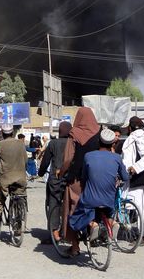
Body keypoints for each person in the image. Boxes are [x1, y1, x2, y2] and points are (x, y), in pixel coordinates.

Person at [69, 128, 129, 237]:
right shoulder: (117, 158)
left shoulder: (88, 156)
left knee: (78, 214)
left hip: (91, 199)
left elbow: (84, 177)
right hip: (109, 199)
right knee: (108, 210)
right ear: (112, 144)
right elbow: (125, 177)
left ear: (99, 141)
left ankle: (92, 224)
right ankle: (112, 222)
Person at [58, 107, 102, 255]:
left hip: (77, 178)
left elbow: (68, 158)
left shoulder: (74, 134)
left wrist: (61, 171)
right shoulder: (100, 133)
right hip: (95, 177)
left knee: (71, 207)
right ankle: (94, 226)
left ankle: (75, 246)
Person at [0, 124, 27, 235]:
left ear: (2, 134)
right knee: (20, 194)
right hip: (20, 178)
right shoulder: (21, 144)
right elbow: (25, 160)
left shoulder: (0, 145)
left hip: (6, 178)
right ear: (13, 133)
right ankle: (19, 221)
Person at [121, 116, 144, 247]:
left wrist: (135, 167)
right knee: (142, 209)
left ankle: (143, 236)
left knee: (139, 208)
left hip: (137, 178)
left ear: (130, 127)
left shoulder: (136, 138)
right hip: (142, 178)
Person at [38, 121, 71, 244]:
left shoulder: (53, 144)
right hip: (70, 180)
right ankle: (69, 232)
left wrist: (41, 173)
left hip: (55, 180)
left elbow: (45, 161)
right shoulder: (73, 143)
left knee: (54, 204)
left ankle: (54, 233)